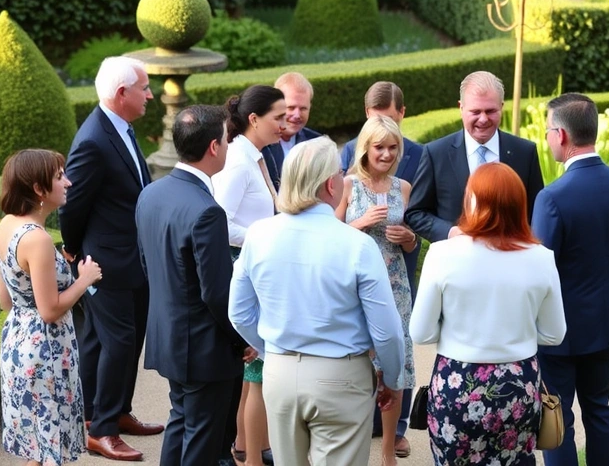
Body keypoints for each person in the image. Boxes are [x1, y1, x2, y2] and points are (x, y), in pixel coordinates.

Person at [228, 136, 405, 466]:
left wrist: (271, 349)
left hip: (279, 372)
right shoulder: (356, 244)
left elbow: (239, 313)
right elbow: (387, 331)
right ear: (330, 184)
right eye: (339, 172)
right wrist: (393, 380)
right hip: (341, 375)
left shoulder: (259, 235)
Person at [409, 162, 567, 465]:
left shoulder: (443, 253)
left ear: (471, 201)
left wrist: (461, 331)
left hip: (458, 382)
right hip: (518, 385)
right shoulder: (541, 258)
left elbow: (421, 332)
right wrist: (513, 331)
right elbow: (554, 333)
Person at [530, 93, 609, 466]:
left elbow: (539, 273)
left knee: (556, 414)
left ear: (561, 135)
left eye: (548, 131)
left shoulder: (552, 197)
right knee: (600, 409)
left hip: (559, 332)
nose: (548, 138)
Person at [135, 105, 252, 466]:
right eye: (227, 140)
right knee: (202, 440)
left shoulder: (151, 194)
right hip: (203, 348)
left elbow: (147, 263)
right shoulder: (206, 211)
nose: (230, 146)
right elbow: (216, 292)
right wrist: (242, 338)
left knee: (181, 423)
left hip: (168, 336)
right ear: (214, 147)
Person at [58, 56, 162, 461]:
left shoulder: (119, 126)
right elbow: (71, 204)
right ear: (123, 94)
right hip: (104, 262)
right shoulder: (92, 140)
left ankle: (111, 413)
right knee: (117, 343)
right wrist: (74, 249)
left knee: (115, 341)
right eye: (145, 88)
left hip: (128, 258)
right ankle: (99, 431)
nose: (150, 95)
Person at [0, 149, 102, 466]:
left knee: (39, 451)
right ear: (39, 189)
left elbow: (5, 301)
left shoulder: (6, 226)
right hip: (46, 353)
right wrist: (84, 279)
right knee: (49, 450)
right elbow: (50, 310)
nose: (68, 182)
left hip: (17, 343)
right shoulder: (37, 239)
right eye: (59, 177)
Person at [340, 81, 422, 458]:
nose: (387, 154)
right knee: (358, 363)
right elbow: (329, 236)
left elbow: (413, 241)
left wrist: (408, 238)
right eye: (379, 148)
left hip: (394, 282)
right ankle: (355, 444)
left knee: (397, 364)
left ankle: (389, 448)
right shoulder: (347, 185)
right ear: (365, 149)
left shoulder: (403, 188)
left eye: (393, 148)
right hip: (355, 285)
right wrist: (359, 224)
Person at [211, 85, 286, 466]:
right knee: (256, 368)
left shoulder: (253, 155)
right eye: (279, 117)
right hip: (243, 265)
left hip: (254, 262)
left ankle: (247, 444)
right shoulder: (239, 161)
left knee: (251, 371)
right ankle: (254, 453)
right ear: (254, 119)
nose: (285, 124)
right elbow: (217, 222)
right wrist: (264, 234)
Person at [406, 71, 543, 243]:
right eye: (476, 111)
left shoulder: (524, 152)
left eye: (490, 111)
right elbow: (415, 213)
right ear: (461, 108)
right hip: (457, 261)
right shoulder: (436, 154)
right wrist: (451, 232)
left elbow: (537, 213)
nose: (483, 119)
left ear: (501, 106)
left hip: (511, 259)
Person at [261, 72, 320, 190]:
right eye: (291, 108)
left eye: (303, 108)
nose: (297, 115)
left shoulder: (318, 144)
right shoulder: (259, 145)